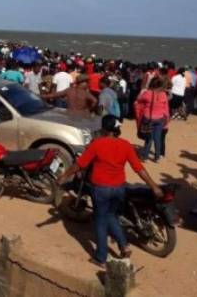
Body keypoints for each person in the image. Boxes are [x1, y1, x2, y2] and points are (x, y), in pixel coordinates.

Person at [57, 115, 163, 268]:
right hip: (119, 189)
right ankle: (124, 247)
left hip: (101, 189)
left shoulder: (97, 145)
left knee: (100, 221)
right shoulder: (126, 145)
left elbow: (79, 165)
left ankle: (101, 257)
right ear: (117, 129)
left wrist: (64, 176)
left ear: (104, 129)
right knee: (111, 216)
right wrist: (154, 186)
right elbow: (139, 169)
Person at [135, 77, 170, 162]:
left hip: (148, 118)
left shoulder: (147, 93)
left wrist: (142, 91)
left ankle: (145, 157)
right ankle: (157, 157)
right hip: (160, 118)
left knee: (148, 138)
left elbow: (138, 99)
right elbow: (166, 109)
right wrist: (167, 121)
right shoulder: (164, 94)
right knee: (157, 139)